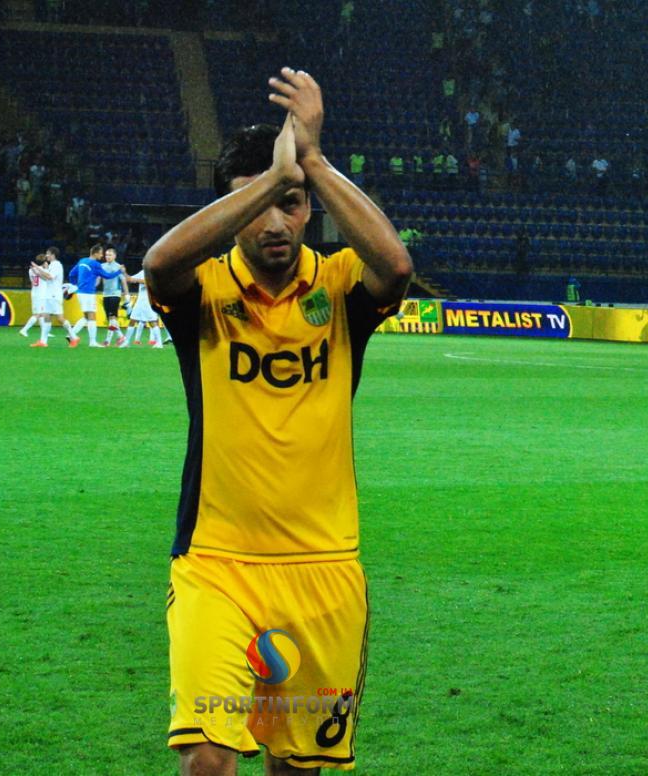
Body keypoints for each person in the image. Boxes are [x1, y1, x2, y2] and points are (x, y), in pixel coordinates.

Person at [144, 67, 412, 775]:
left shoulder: (340, 287)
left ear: (310, 209)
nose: (273, 223)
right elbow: (158, 264)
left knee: (296, 766)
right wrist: (272, 178)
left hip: (323, 567)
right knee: (208, 759)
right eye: (257, 205)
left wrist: (312, 162)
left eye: (290, 205)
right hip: (217, 565)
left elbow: (396, 267)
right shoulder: (203, 293)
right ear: (232, 210)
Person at [67, 243, 126, 348]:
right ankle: (92, 342)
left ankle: (71, 335)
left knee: (86, 316)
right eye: (101, 253)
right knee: (92, 316)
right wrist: (119, 272)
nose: (102, 256)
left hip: (80, 292)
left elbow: (71, 274)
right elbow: (107, 276)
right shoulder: (95, 264)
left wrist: (75, 285)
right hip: (88, 293)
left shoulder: (82, 261)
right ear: (96, 253)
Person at [29, 246, 77, 347]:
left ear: (53, 255)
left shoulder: (56, 265)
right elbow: (46, 278)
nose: (46, 256)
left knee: (60, 318)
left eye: (48, 254)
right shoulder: (51, 265)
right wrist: (37, 272)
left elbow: (50, 276)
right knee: (46, 317)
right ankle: (43, 341)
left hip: (54, 295)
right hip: (49, 295)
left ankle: (74, 337)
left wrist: (37, 268)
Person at [118, 269, 164, 349]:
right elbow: (129, 279)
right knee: (132, 320)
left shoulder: (155, 272)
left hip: (149, 300)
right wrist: (124, 272)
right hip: (140, 301)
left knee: (152, 321)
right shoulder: (142, 272)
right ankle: (126, 342)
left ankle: (159, 343)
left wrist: (137, 280)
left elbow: (149, 283)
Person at [99, 245, 130, 346]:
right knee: (110, 318)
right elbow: (99, 279)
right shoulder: (102, 266)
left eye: (110, 255)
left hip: (115, 294)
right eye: (106, 255)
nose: (107, 257)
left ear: (115, 256)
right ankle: (121, 337)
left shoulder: (118, 267)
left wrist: (127, 295)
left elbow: (123, 281)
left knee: (112, 317)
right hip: (105, 294)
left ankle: (108, 341)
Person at [20, 253, 48, 337]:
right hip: (41, 294)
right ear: (44, 262)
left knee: (41, 313)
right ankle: (24, 330)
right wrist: (46, 268)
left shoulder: (31, 270)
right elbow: (47, 278)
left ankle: (44, 332)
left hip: (34, 292)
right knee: (38, 314)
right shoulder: (43, 270)